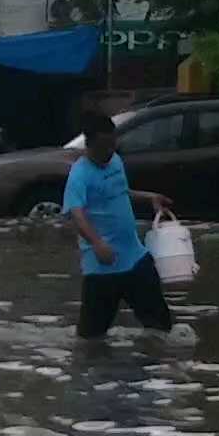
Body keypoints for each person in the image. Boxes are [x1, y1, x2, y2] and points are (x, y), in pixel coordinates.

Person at [66, 111, 177, 341]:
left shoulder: (115, 160)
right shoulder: (80, 174)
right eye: (103, 147)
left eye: (112, 144)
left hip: (135, 258)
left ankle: (158, 371)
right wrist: (97, 244)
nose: (109, 151)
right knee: (90, 341)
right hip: (102, 269)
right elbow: (76, 213)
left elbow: (120, 193)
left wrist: (148, 197)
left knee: (162, 330)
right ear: (89, 144)